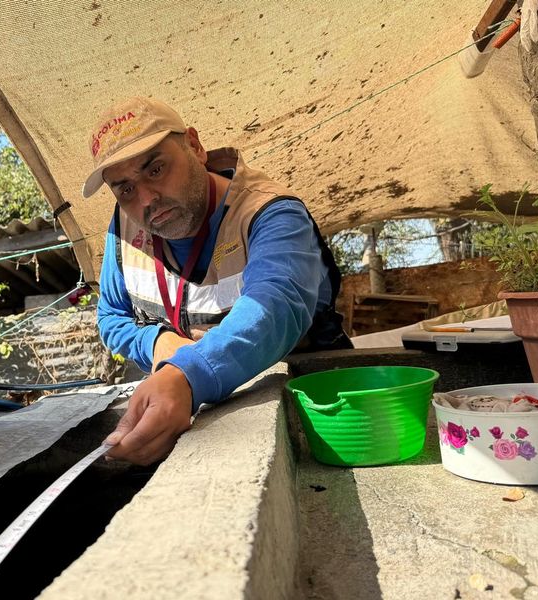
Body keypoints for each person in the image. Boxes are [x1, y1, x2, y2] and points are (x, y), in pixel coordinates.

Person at [82, 97, 351, 465]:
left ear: (195, 147)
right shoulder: (124, 232)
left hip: (323, 419)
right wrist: (156, 342)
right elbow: (111, 316)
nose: (146, 199)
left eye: (156, 169)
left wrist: (188, 374)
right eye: (124, 189)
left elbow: (277, 304)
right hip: (205, 418)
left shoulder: (270, 213)